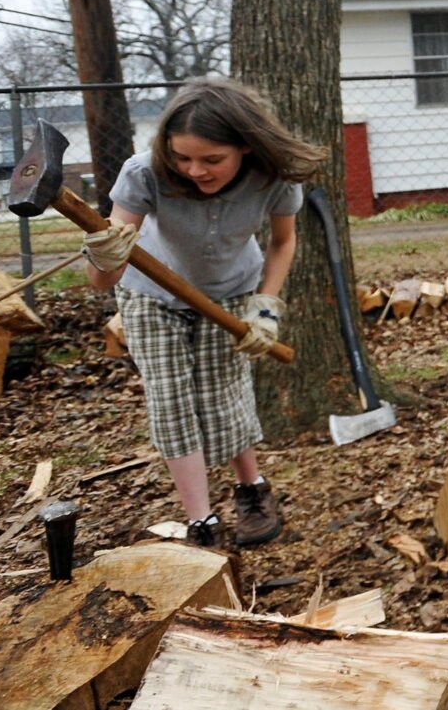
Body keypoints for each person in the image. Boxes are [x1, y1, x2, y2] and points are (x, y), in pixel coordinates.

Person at [83, 77, 326, 549]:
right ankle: (201, 521)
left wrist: (266, 307)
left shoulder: (274, 177)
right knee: (171, 402)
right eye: (182, 157)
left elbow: (283, 242)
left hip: (231, 293)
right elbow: (100, 282)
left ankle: (252, 489)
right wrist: (104, 255)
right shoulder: (144, 174)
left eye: (212, 159)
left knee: (223, 393)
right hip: (151, 294)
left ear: (247, 148)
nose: (195, 170)